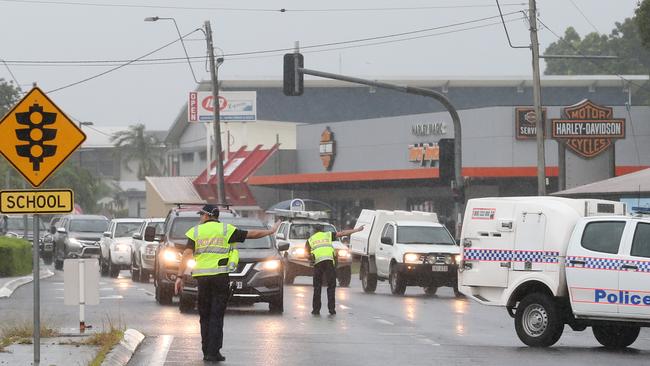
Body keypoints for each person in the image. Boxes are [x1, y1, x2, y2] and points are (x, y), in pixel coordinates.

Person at [175, 205, 279, 362]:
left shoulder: (195, 231)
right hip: (220, 278)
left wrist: (180, 276)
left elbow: (187, 254)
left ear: (208, 215)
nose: (200, 217)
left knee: (205, 315)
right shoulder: (226, 230)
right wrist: (270, 232)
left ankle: (206, 351)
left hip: (202, 279)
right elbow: (251, 234)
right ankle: (213, 352)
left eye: (201, 214)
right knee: (217, 315)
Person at [305, 224, 364, 315]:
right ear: (322, 230)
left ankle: (316, 310)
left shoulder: (310, 240)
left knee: (317, 287)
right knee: (331, 286)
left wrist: (310, 259)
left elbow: (307, 255)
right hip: (329, 262)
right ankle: (332, 310)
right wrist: (357, 230)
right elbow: (343, 233)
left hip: (318, 263)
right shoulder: (328, 235)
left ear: (313, 231)